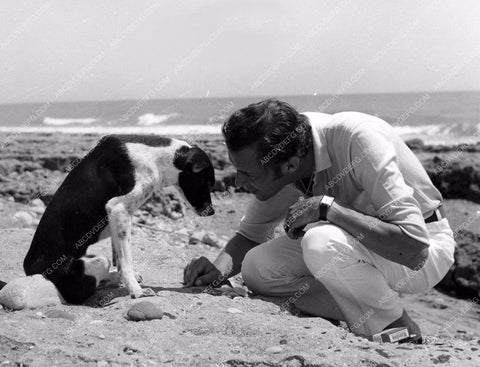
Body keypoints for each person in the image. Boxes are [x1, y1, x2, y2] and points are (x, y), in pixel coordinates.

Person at [183, 99, 455, 340]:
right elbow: (250, 235)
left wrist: (329, 208)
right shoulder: (287, 151)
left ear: (290, 165)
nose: (239, 183)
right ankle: (361, 315)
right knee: (257, 267)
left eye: (248, 174)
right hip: (355, 251)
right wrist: (217, 270)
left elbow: (415, 251)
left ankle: (398, 328)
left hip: (425, 248)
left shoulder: (358, 139)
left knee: (320, 240)